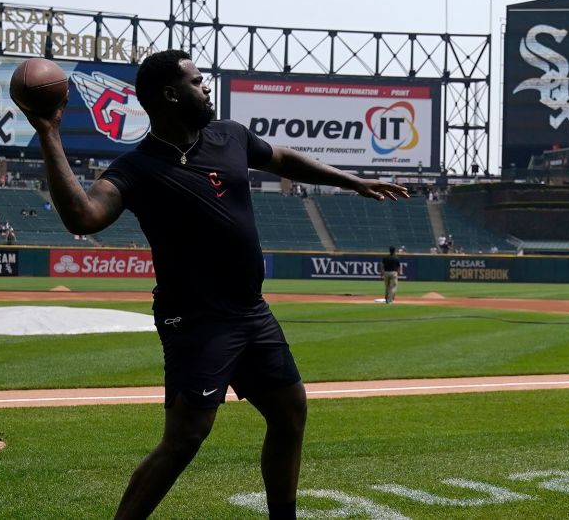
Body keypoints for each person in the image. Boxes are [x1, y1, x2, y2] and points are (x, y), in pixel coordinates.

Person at [25, 49, 408, 520]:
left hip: (251, 311)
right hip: (196, 319)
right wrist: (49, 134)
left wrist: (353, 181)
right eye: (197, 81)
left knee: (290, 413)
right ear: (170, 93)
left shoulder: (229, 135)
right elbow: (83, 217)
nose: (206, 88)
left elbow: (283, 158)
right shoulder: (136, 169)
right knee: (185, 438)